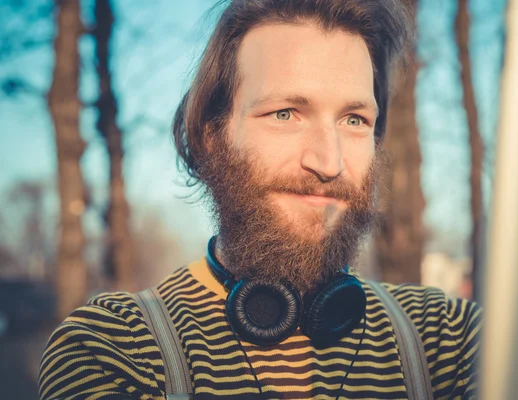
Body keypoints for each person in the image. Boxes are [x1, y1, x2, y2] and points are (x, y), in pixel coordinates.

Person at [39, 0, 482, 399]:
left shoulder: (448, 340)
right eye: (285, 113)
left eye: (354, 119)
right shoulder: (115, 347)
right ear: (212, 136)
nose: (329, 162)